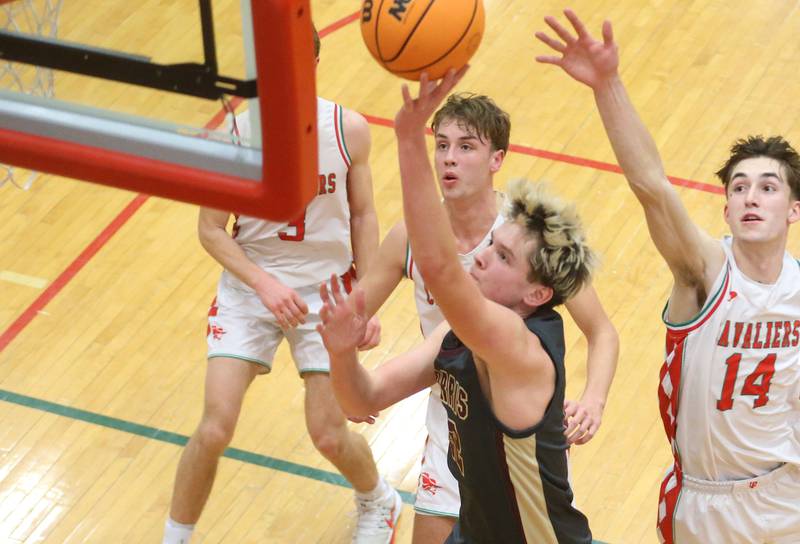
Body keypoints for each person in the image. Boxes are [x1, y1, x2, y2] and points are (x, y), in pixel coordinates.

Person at [536, 9, 800, 544]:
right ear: (725, 209)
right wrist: (607, 85)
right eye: (739, 187)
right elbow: (651, 184)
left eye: (768, 187)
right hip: (709, 507)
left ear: (794, 209)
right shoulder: (704, 271)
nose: (751, 196)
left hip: (787, 495)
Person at [317, 68, 595, 543]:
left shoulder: (517, 343)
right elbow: (361, 399)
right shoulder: (453, 336)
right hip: (474, 513)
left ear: (536, 294)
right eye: (440, 144)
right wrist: (342, 352)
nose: (483, 256)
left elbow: (443, 270)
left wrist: (407, 138)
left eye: (503, 256)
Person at [162, 26, 401, 544]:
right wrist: (264, 284)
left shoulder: (348, 130)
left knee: (328, 434)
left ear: (311, 64)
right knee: (214, 428)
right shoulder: (232, 136)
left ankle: (380, 500)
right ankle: (174, 536)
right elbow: (210, 231)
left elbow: (363, 215)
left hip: (327, 294)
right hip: (253, 289)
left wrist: (366, 300)